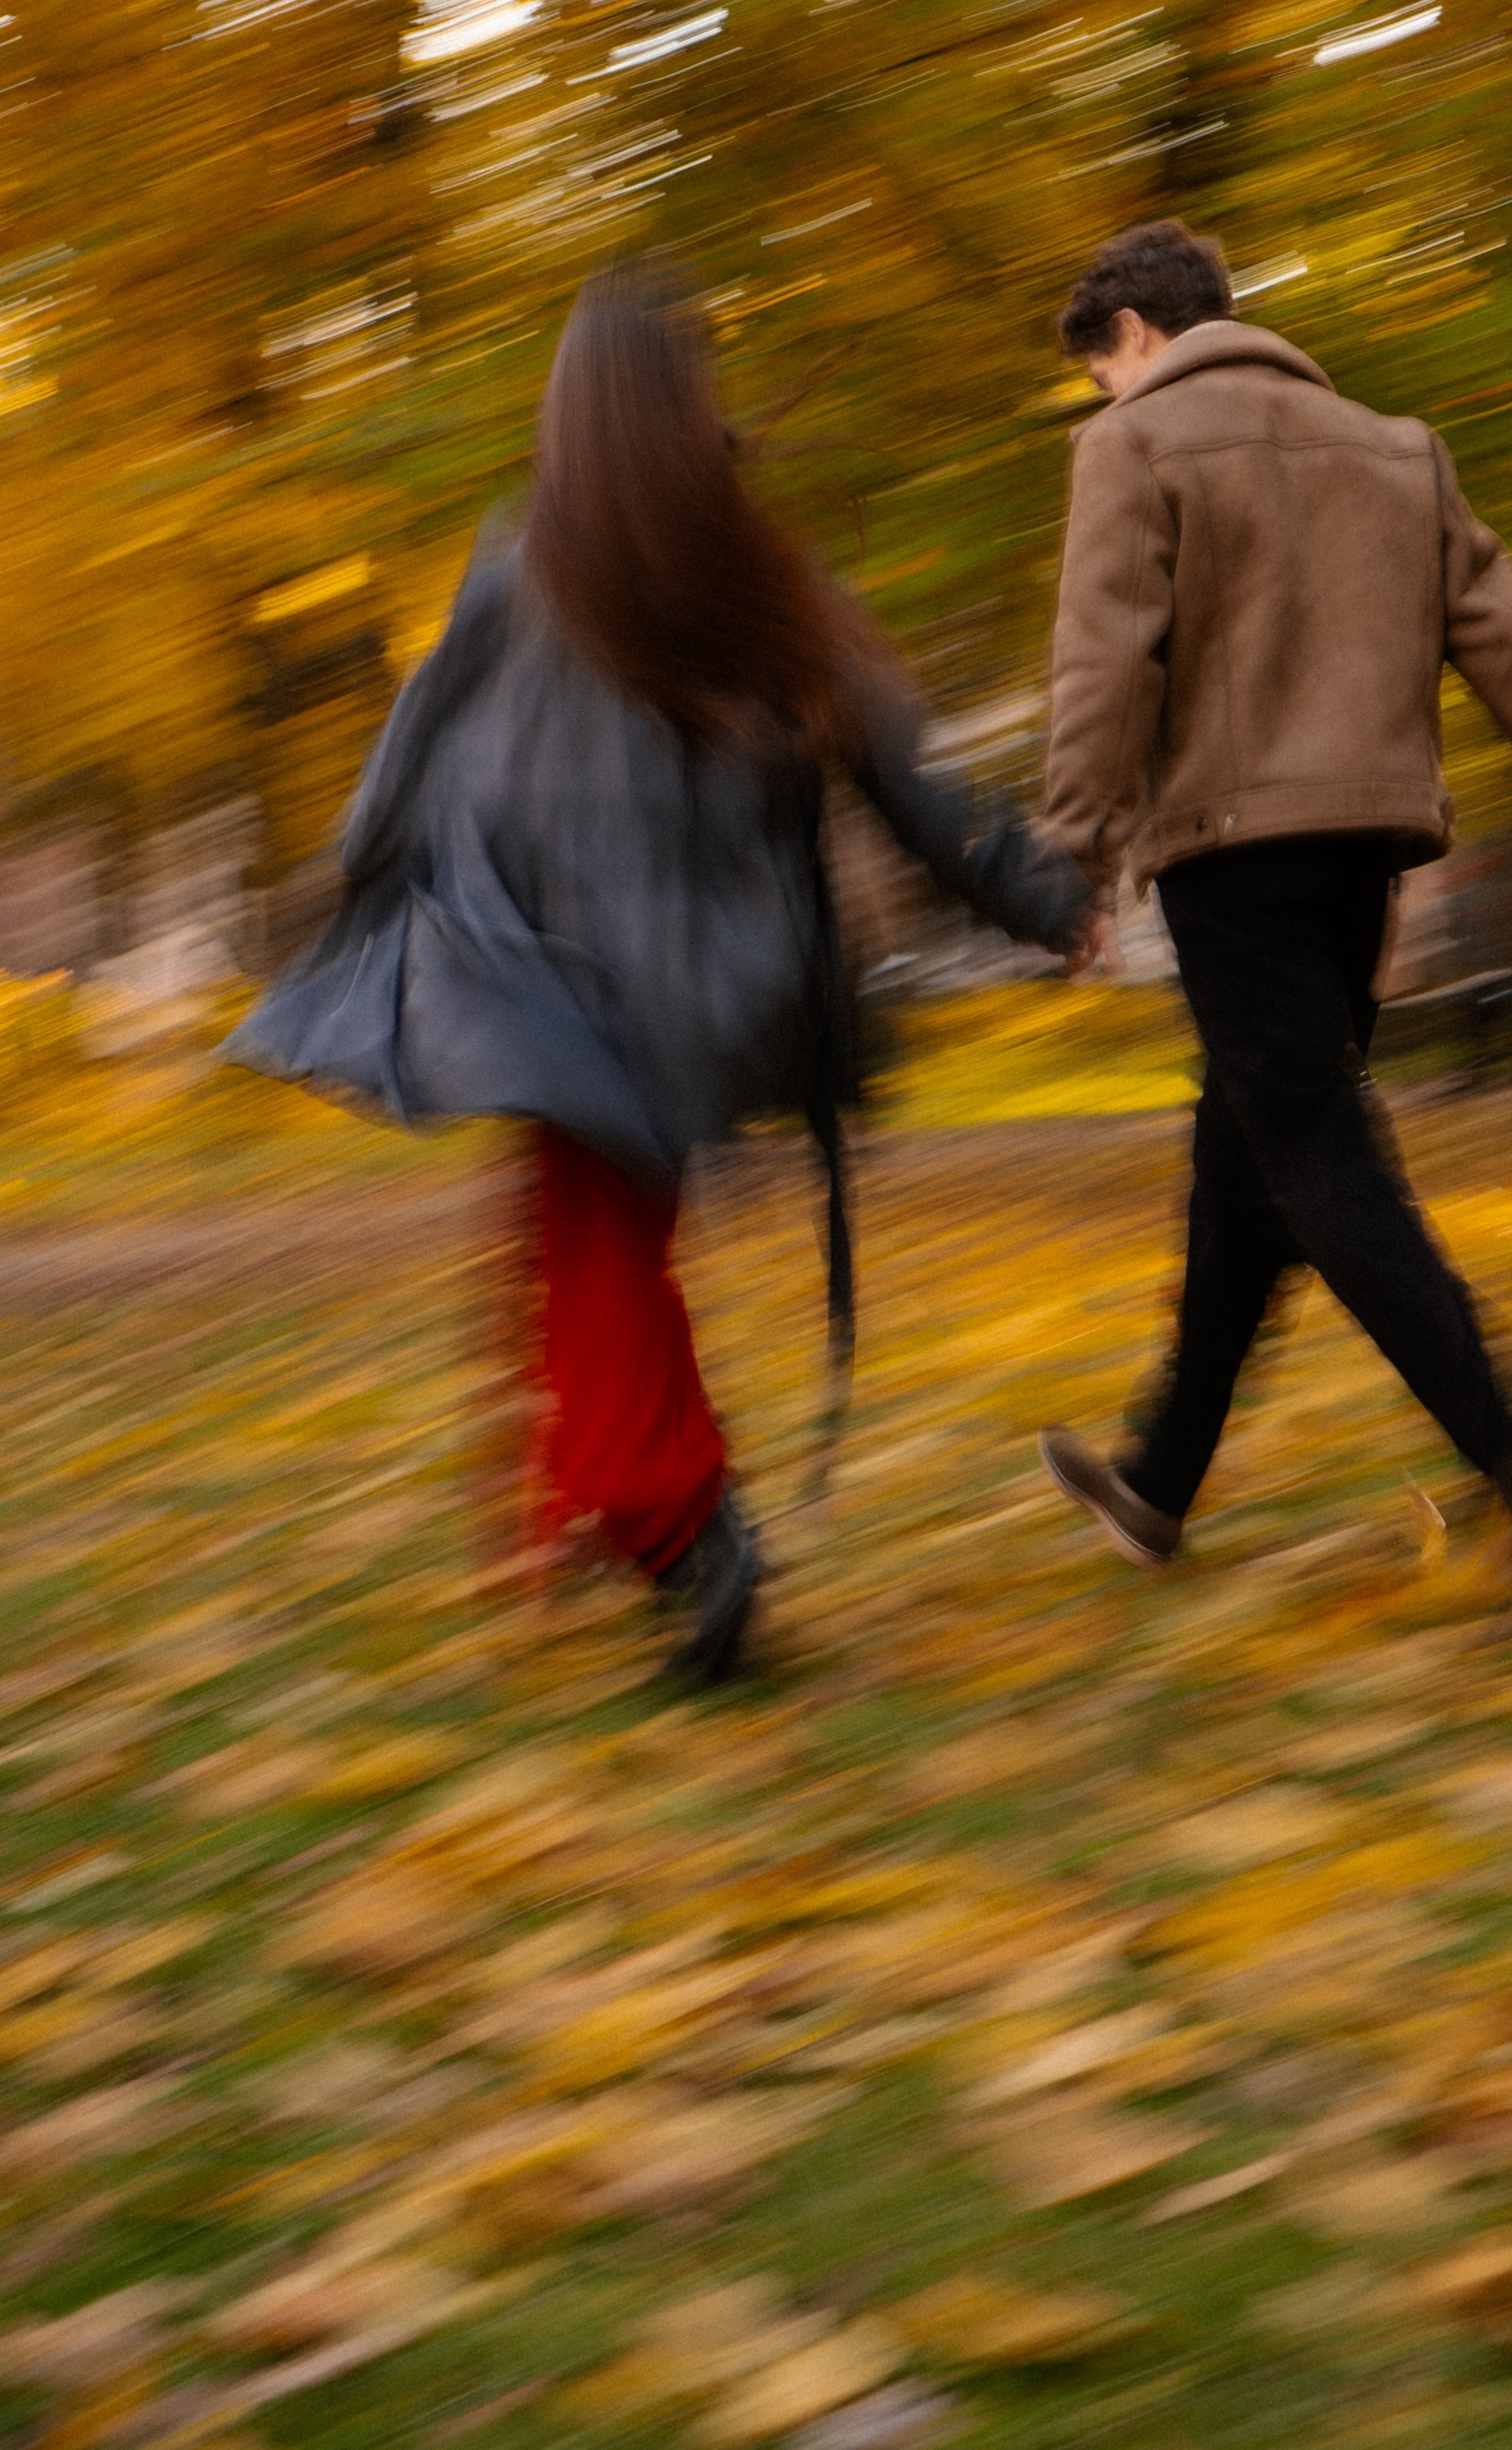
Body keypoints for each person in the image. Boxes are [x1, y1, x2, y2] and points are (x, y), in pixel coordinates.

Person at [225, 258, 1092, 1681]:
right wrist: (1040, 901)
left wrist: (345, 900)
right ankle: (580, 1503)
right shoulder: (759, 571)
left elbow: (408, 767)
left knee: (595, 1259)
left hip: (562, 998)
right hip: (718, 1002)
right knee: (573, 1249)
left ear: (571, 414)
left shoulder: (525, 564)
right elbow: (910, 778)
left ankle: (688, 1532)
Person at [1034, 219, 1512, 1628]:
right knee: (1251, 1151)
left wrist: (1070, 862)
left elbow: (1102, 667)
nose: (1105, 402)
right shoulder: (1398, 449)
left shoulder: (1134, 445)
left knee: (1316, 1151)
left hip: (1228, 848)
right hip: (1368, 850)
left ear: (1136, 335)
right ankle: (1160, 1479)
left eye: (1102, 375)